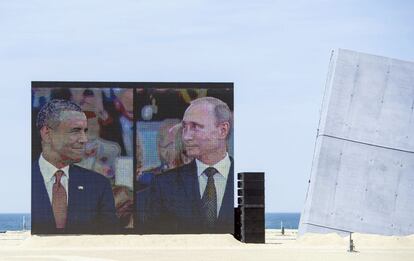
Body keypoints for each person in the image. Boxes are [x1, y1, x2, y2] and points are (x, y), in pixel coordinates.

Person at [146, 96, 234, 234]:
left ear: (222, 130)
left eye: (196, 127)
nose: (186, 136)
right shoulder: (164, 185)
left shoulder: (244, 180)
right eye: (185, 127)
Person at [32, 99, 119, 234]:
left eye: (85, 131)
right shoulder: (19, 181)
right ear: (47, 134)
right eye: (75, 131)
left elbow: (110, 240)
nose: (84, 139)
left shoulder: (99, 185)